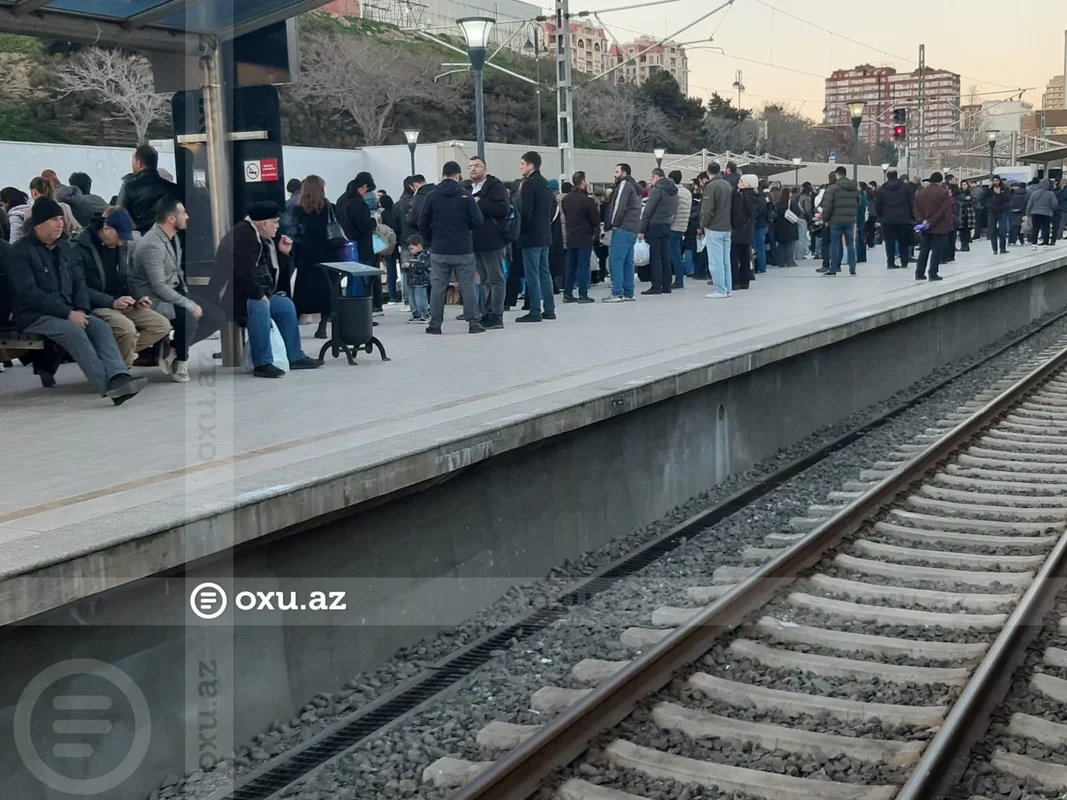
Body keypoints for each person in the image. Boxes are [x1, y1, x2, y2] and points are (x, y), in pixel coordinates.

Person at [7, 197, 148, 404]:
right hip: (34, 314)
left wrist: (81, 309)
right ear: (39, 223)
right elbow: (29, 293)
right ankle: (107, 386)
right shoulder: (20, 252)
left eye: (61, 219)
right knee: (73, 332)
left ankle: (120, 376)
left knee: (100, 328)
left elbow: (78, 281)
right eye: (54, 219)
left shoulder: (64, 248)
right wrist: (68, 313)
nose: (60, 223)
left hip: (69, 310)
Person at [210, 201, 323, 378]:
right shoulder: (242, 237)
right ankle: (263, 362)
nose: (278, 226)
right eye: (275, 222)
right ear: (263, 223)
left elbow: (269, 272)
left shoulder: (265, 239)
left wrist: (283, 254)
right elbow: (243, 273)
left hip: (254, 292)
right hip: (233, 297)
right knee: (259, 306)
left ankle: (294, 356)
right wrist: (259, 295)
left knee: (285, 305)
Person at [128, 197, 225, 382]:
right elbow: (158, 287)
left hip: (173, 291)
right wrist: (189, 303)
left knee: (216, 316)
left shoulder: (172, 238)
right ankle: (181, 362)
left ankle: (174, 347)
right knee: (189, 319)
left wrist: (187, 295)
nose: (187, 216)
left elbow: (176, 273)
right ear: (171, 218)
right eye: (183, 213)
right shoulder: (151, 245)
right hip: (153, 298)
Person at [70, 207, 171, 368]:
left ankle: (111, 357)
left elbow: (126, 277)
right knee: (127, 330)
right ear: (106, 229)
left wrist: (137, 298)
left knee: (161, 325)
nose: (121, 243)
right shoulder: (78, 248)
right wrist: (112, 302)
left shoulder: (120, 245)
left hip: (121, 301)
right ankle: (120, 371)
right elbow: (79, 288)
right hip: (96, 304)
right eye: (119, 237)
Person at [418, 160, 484, 334]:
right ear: (457, 176)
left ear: (442, 175)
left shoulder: (431, 196)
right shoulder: (466, 195)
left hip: (439, 250)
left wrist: (430, 240)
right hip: (463, 249)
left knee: (438, 288)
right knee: (467, 286)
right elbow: (478, 221)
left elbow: (422, 222)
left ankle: (435, 324)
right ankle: (473, 323)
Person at [284, 175, 336, 338]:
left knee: (303, 287)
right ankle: (322, 324)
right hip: (326, 251)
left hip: (305, 252)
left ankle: (293, 325)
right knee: (326, 288)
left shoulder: (297, 209)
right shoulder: (328, 207)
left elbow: (291, 230)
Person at [467, 156, 510, 329]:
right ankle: (485, 312)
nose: (473, 169)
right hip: (475, 240)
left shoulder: (495, 187)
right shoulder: (468, 188)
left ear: (485, 168)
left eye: (477, 166)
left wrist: (480, 203)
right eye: (470, 166)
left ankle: (496, 315)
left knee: (496, 278)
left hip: (493, 239)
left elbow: (503, 209)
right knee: (484, 280)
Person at [515, 151, 556, 322]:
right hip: (545, 234)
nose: (520, 167)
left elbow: (526, 212)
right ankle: (549, 309)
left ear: (531, 165)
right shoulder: (545, 184)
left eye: (522, 163)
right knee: (544, 273)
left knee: (532, 274)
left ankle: (534, 310)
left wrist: (519, 230)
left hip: (531, 236)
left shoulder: (529, 185)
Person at [119, 144, 182, 235]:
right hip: (166, 238)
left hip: (139, 238)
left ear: (139, 163)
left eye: (132, 161)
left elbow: (119, 213)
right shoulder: (173, 189)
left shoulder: (129, 187)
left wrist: (135, 229)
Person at [603, 163, 642, 302]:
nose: (614, 174)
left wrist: (613, 224)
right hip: (632, 228)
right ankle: (628, 292)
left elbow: (619, 206)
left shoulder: (624, 185)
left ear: (624, 173)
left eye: (616, 171)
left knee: (616, 260)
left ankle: (617, 292)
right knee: (628, 262)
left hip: (623, 227)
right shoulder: (635, 187)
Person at [560, 171, 600, 304]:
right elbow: (595, 219)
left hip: (571, 235)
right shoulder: (587, 200)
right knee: (583, 265)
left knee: (570, 265)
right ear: (583, 182)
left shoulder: (566, 199)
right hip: (584, 236)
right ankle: (583, 294)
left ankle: (568, 293)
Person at [639, 168, 678, 295]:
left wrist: (641, 229)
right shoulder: (673, 190)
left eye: (651, 178)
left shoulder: (657, 190)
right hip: (667, 223)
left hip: (655, 224)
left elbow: (648, 210)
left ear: (655, 177)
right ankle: (667, 285)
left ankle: (656, 285)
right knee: (665, 255)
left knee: (655, 256)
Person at [701, 161, 733, 298]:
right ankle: (727, 287)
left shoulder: (711, 186)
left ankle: (719, 289)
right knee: (726, 260)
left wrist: (704, 224)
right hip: (727, 226)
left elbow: (707, 209)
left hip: (714, 227)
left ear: (708, 172)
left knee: (715, 261)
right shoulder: (727, 185)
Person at [913, 172, 953, 282]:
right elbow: (943, 211)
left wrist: (922, 221)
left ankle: (919, 273)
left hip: (924, 227)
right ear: (940, 181)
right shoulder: (943, 193)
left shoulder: (921, 192)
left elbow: (915, 209)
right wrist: (931, 222)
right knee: (936, 250)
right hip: (938, 226)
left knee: (924, 249)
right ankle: (933, 273)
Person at [820, 166, 859, 276]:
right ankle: (852, 268)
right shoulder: (854, 188)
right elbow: (858, 203)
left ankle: (834, 268)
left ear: (837, 175)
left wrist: (825, 219)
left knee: (835, 245)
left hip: (835, 221)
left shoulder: (832, 189)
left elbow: (827, 206)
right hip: (850, 220)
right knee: (850, 245)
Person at [336, 171, 378, 269]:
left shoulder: (342, 199)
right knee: (362, 277)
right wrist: (374, 222)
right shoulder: (357, 203)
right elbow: (363, 225)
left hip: (346, 244)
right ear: (364, 186)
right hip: (361, 246)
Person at [875, 170, 912, 270]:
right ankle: (904, 261)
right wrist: (911, 216)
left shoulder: (882, 189)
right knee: (903, 241)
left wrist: (881, 215)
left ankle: (890, 262)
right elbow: (911, 202)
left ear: (887, 177)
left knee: (889, 242)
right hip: (903, 218)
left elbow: (878, 204)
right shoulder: (906, 188)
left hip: (887, 218)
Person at [730, 174, 758, 289]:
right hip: (749, 230)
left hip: (738, 230)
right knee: (745, 256)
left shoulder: (740, 197)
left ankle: (735, 281)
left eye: (741, 181)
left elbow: (738, 215)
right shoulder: (755, 197)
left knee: (734, 257)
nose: (738, 183)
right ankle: (745, 281)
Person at [667, 170, 692, 289]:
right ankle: (679, 278)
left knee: (674, 254)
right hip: (683, 226)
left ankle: (678, 280)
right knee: (677, 253)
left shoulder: (673, 192)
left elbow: (672, 211)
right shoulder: (687, 192)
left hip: (673, 226)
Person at [403, 235, 431, 323]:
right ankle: (416, 314)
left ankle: (424, 314)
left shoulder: (425, 255)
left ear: (419, 246)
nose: (410, 251)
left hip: (420, 281)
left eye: (412, 248)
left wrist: (410, 265)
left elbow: (422, 266)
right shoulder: (413, 257)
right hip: (412, 281)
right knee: (412, 298)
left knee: (420, 298)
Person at [1027, 179, 1059, 249]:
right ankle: (1045, 243)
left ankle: (1034, 243)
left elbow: (1030, 204)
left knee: (1035, 228)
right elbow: (1054, 204)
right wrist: (1051, 209)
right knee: (1045, 228)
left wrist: (1028, 213)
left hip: (1035, 213)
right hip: (1046, 213)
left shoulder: (1035, 193)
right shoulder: (1050, 194)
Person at [774, 187, 799, 267]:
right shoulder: (791, 202)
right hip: (790, 226)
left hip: (780, 227)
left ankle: (781, 262)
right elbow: (797, 212)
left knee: (781, 245)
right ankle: (789, 261)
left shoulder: (777, 203)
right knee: (790, 245)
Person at [986, 175, 1011, 255]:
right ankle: (995, 249)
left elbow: (1008, 199)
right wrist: (988, 190)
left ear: (1000, 181)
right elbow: (981, 197)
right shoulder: (989, 190)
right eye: (994, 181)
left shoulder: (1005, 189)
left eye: (997, 181)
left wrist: (1000, 194)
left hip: (1002, 211)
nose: (995, 182)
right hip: (991, 212)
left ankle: (1002, 248)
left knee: (1002, 231)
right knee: (992, 231)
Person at [796, 182, 814, 261]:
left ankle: (797, 254)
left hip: (797, 217)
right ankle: (800, 255)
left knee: (798, 237)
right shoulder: (807, 198)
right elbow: (807, 210)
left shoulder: (799, 197)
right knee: (802, 237)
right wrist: (811, 218)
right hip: (803, 218)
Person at [1009, 182, 1029, 246]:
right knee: (1022, 227)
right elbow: (1027, 203)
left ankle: (1013, 241)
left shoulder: (1015, 194)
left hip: (1014, 212)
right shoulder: (1027, 194)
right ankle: (1022, 241)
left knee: (1015, 227)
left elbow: (1011, 204)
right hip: (1023, 212)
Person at [957, 181, 974, 253]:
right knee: (961, 230)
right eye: (962, 185)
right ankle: (962, 245)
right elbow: (959, 202)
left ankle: (966, 245)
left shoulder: (970, 193)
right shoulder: (959, 193)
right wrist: (964, 199)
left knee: (967, 230)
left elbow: (973, 201)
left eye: (965, 184)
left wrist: (969, 199)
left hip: (968, 213)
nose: (964, 186)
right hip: (961, 213)